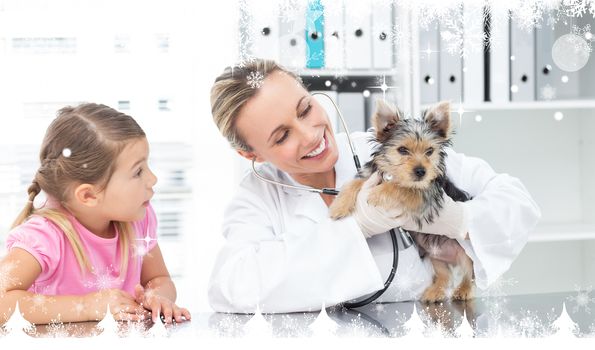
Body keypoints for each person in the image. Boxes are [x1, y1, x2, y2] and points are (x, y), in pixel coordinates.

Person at [208, 59, 541, 313]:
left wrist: (460, 220)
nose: (310, 134)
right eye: (282, 136)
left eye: (306, 108)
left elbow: (518, 203)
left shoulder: (389, 149)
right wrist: (357, 226)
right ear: (249, 152)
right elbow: (234, 287)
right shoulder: (256, 198)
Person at [0, 103, 190, 325]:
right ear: (89, 195)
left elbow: (159, 279)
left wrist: (157, 296)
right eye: (138, 171)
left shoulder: (139, 221)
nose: (153, 178)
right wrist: (88, 306)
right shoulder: (45, 237)